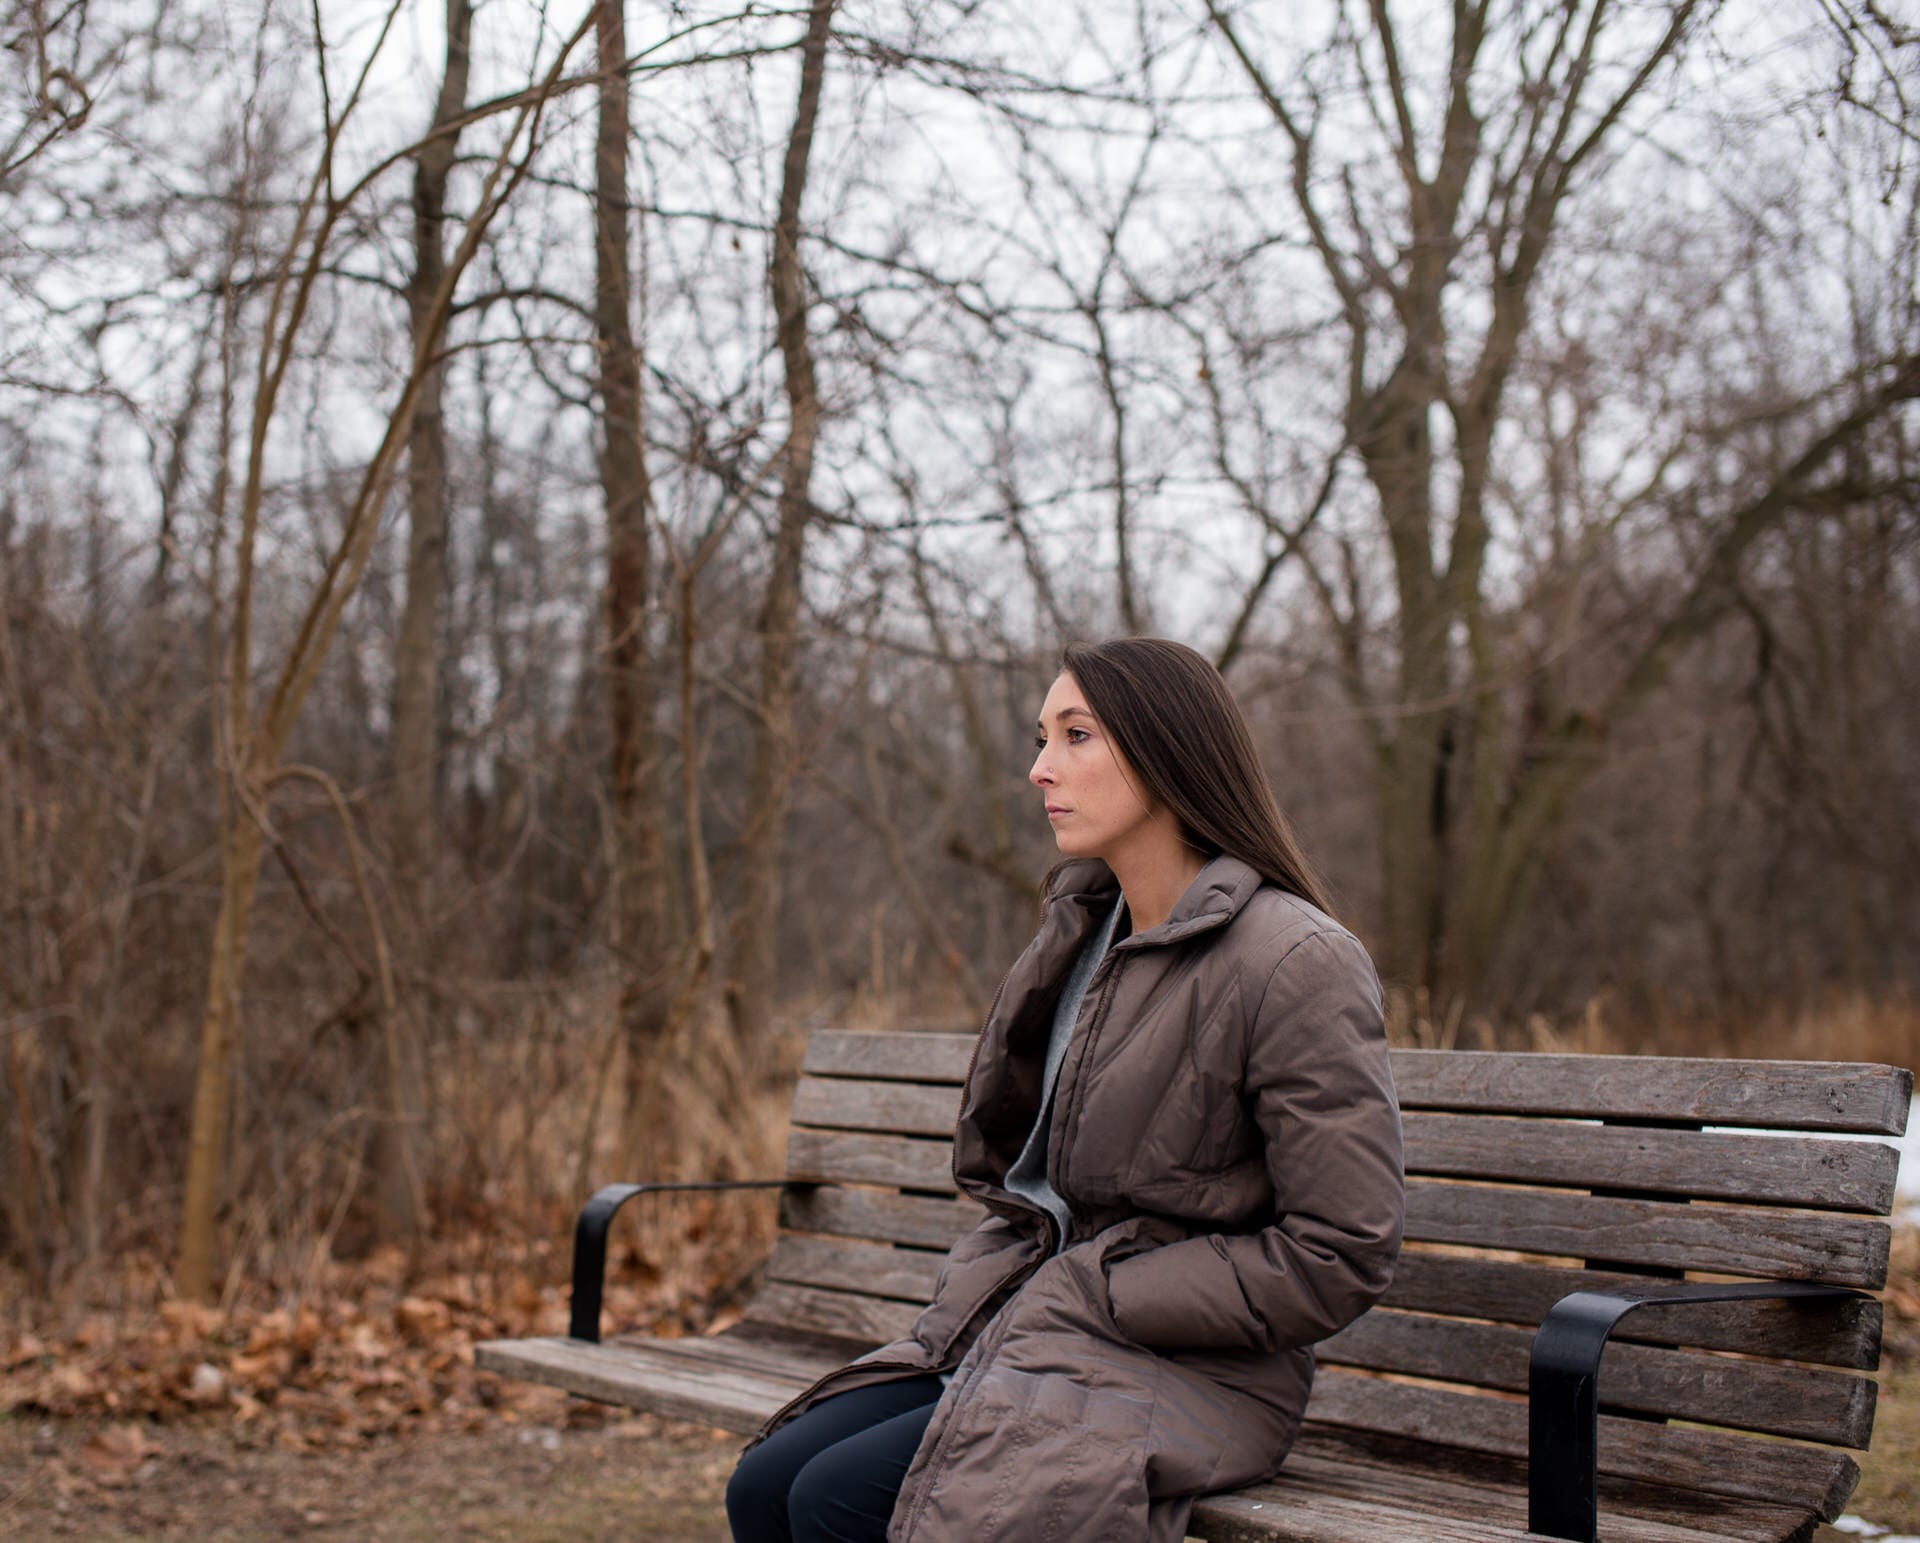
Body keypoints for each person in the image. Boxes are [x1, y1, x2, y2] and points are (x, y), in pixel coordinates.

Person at [726, 636, 1405, 1543]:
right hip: (1035, 1330)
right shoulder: (1084, 933)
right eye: (1042, 737)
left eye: (1075, 735)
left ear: (1168, 753)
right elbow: (1037, 1189)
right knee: (767, 1485)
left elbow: (1340, 1251)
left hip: (1193, 1369)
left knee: (837, 1499)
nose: (1040, 767)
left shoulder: (1296, 960)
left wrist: (1111, 1290)